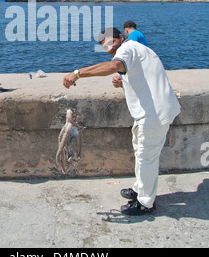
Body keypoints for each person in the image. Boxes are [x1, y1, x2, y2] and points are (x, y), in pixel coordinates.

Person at [63, 27, 180, 216]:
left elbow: (112, 66)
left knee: (146, 157)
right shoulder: (136, 48)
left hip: (154, 114)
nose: (109, 49)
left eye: (111, 43)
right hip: (152, 112)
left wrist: (77, 73)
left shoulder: (125, 49)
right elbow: (139, 74)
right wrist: (123, 81)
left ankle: (145, 203)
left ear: (121, 37)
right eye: (104, 46)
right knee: (141, 152)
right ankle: (140, 189)